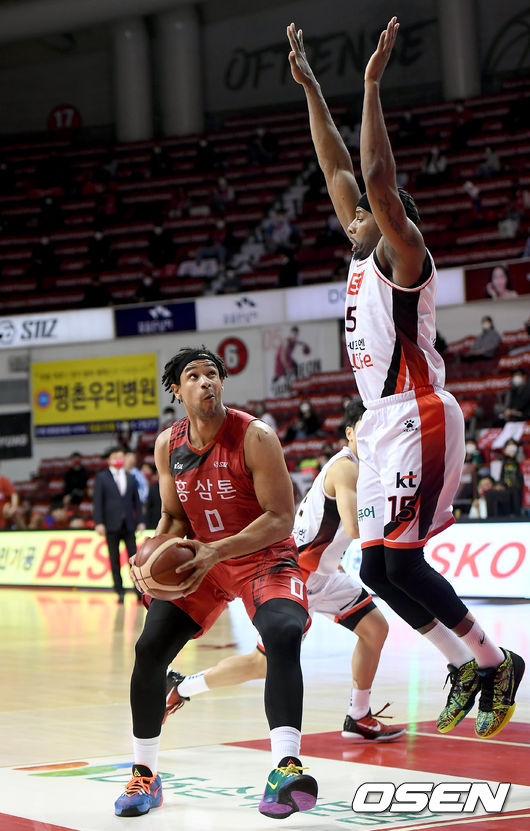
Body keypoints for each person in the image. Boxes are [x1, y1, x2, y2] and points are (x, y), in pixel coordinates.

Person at [286, 16, 524, 741]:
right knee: (379, 572)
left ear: (390, 222)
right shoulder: (362, 254)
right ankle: (464, 662)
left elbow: (374, 177)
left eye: (365, 212)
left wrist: (370, 86)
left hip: (419, 411)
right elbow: (336, 171)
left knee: (403, 561)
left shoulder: (405, 253)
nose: (352, 213)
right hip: (383, 422)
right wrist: (311, 89)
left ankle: (496, 661)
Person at [114, 347, 318, 819]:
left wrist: (216, 552)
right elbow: (173, 516)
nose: (206, 381)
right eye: (193, 375)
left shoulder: (255, 436)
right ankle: (145, 774)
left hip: (262, 556)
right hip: (201, 560)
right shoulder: (168, 445)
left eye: (213, 374)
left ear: (222, 384)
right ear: (176, 390)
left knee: (283, 633)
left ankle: (285, 769)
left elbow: (281, 518)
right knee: (149, 650)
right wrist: (151, 558)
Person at [165, 400, 406, 742]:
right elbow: (355, 527)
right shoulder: (346, 468)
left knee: (375, 629)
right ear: (350, 433)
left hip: (322, 572)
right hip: (299, 573)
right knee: (263, 664)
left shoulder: (367, 469)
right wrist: (405, 519)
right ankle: (181, 687)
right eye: (366, 428)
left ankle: (358, 716)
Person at [93, 447, 145, 603]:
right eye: (115, 456)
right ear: (109, 459)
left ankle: (138, 590)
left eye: (121, 456)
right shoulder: (101, 478)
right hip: (111, 525)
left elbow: (137, 502)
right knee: (114, 559)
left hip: (128, 524)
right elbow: (98, 502)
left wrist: (141, 520)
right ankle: (119, 591)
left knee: (134, 559)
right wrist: (99, 522)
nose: (119, 459)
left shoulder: (130, 477)